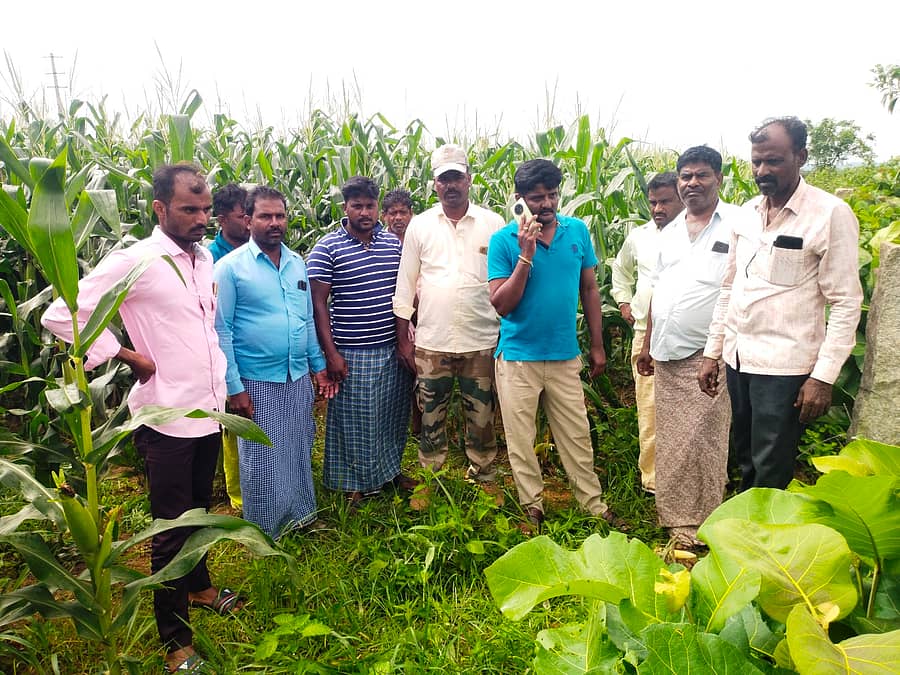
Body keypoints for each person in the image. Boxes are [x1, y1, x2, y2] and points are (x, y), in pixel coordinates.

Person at [42, 164, 238, 673]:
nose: (200, 219)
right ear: (159, 209)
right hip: (166, 416)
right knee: (171, 528)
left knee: (198, 506)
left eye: (204, 209)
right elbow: (62, 313)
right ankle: (175, 640)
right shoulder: (138, 261)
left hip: (206, 408)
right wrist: (125, 354)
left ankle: (199, 586)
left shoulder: (202, 261)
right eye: (188, 210)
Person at [699, 117, 863, 489]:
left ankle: (764, 540)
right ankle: (744, 535)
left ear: (800, 156)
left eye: (773, 161)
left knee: (771, 467)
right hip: (738, 359)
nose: (762, 171)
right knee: (745, 457)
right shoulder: (746, 214)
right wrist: (713, 353)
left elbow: (846, 302)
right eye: (756, 161)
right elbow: (730, 287)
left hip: (784, 367)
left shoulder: (829, 214)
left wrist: (822, 377)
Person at [488, 159, 618, 531]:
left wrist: (597, 344)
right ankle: (532, 506)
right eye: (537, 197)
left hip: (564, 356)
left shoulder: (576, 231)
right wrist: (525, 254)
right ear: (519, 200)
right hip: (517, 359)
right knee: (521, 439)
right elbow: (502, 304)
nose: (546, 204)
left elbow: (590, 289)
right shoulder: (503, 241)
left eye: (552, 195)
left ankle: (592, 504)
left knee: (576, 434)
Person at [636, 146, 743, 550]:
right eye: (685, 176)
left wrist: (714, 353)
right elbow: (658, 289)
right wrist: (647, 342)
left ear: (718, 178)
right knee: (674, 438)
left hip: (709, 353)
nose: (691, 183)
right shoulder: (671, 230)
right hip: (666, 350)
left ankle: (704, 522)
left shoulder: (736, 224)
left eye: (700, 175)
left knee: (705, 438)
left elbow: (736, 288)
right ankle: (677, 519)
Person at [213, 186, 335, 538]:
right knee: (261, 457)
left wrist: (318, 365)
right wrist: (234, 388)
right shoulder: (230, 269)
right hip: (255, 379)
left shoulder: (297, 263)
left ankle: (301, 516)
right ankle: (266, 530)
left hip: (295, 375)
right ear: (249, 220)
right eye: (265, 216)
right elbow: (222, 331)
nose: (274, 222)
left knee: (297, 447)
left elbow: (308, 319)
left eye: (280, 215)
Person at [393, 144, 505, 482]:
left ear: (469, 180)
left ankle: (484, 474)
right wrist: (403, 341)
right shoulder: (420, 226)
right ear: (435, 184)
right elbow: (405, 283)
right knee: (430, 415)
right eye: (444, 179)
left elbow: (504, 280)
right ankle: (431, 479)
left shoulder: (493, 223)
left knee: (483, 415)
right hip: (432, 341)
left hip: (481, 339)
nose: (450, 185)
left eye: (457, 177)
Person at [308, 177, 416, 507]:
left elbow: (406, 291)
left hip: (390, 346)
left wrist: (406, 339)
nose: (365, 212)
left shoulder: (393, 244)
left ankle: (389, 471)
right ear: (346, 208)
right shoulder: (328, 247)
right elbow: (317, 304)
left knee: (391, 416)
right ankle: (352, 484)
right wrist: (331, 354)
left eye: (370, 205)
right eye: (357, 206)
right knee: (353, 421)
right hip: (351, 350)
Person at [611, 172, 683, 494]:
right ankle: (653, 481)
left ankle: (684, 474)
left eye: (665, 201)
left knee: (685, 411)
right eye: (653, 201)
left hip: (688, 337)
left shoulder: (697, 237)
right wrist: (624, 302)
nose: (658, 208)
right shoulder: (639, 236)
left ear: (681, 198)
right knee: (650, 410)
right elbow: (620, 269)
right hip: (644, 335)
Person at [208, 183, 249, 514]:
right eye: (242, 215)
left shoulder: (263, 248)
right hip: (223, 354)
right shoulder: (210, 258)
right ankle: (238, 494)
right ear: (221, 219)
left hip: (259, 356)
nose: (249, 220)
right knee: (232, 424)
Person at [208, 182, 249, 262]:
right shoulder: (212, 256)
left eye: (250, 215)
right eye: (242, 217)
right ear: (222, 220)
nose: (249, 222)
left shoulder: (261, 247)